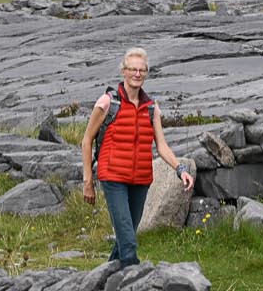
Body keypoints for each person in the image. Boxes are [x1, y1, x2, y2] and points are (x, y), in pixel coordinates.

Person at [78, 47, 192, 266]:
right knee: (129, 244)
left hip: (140, 180)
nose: (137, 74)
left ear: (147, 73)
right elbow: (86, 140)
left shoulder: (151, 108)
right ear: (124, 71)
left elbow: (162, 146)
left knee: (124, 239)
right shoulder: (107, 103)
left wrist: (181, 170)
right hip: (113, 177)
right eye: (132, 69)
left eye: (142, 70)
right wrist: (88, 182)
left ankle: (103, 284)